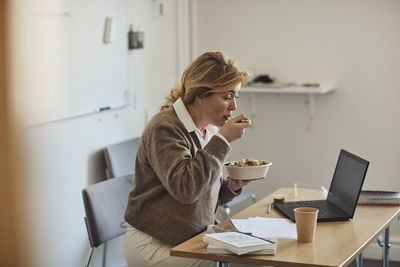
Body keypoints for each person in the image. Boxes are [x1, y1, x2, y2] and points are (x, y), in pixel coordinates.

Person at [123, 51, 257, 267]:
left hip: (190, 237)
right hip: (154, 244)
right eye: (227, 97)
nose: (234, 107)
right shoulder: (165, 127)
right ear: (201, 94)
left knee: (259, 255)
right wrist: (223, 141)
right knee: (233, 263)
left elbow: (203, 195)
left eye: (235, 97)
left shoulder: (209, 131)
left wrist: (231, 186)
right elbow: (187, 190)